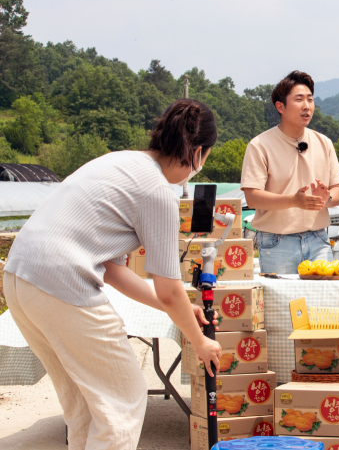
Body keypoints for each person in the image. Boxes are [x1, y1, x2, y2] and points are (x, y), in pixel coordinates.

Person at [3, 99, 222, 450]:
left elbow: (113, 270)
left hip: (19, 278)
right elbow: (169, 289)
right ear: (197, 153)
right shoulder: (157, 192)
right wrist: (200, 340)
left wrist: (179, 312)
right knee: (124, 400)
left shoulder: (119, 161)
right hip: (62, 281)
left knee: (85, 405)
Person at [241, 70, 339, 274]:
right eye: (299, 100)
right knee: (281, 305)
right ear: (280, 106)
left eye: (310, 99)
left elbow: (338, 192)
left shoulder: (324, 143)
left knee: (321, 304)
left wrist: (327, 198)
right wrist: (294, 201)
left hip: (318, 239)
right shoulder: (259, 145)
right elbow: (252, 198)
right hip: (277, 242)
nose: (307, 106)